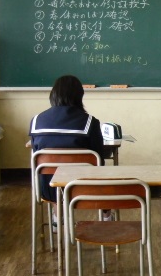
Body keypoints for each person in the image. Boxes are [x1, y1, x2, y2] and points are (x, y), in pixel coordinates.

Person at [29, 75, 107, 221]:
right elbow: (99, 161)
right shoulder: (90, 122)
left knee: (51, 174)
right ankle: (106, 216)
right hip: (83, 187)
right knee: (103, 174)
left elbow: (36, 154)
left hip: (48, 189)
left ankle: (57, 218)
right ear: (79, 96)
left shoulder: (36, 121)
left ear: (53, 94)